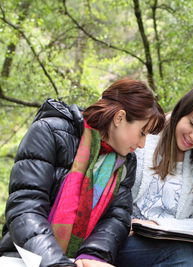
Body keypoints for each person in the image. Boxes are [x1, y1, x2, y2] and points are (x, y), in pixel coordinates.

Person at [0, 78, 165, 267]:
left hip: (80, 260)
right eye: (142, 133)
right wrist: (56, 262)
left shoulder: (126, 162)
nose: (142, 144)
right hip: (26, 256)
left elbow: (117, 217)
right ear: (119, 118)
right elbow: (25, 207)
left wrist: (93, 255)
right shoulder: (49, 132)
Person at [116, 83, 193, 267]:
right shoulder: (144, 137)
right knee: (184, 256)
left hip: (169, 241)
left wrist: (158, 225)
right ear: (181, 111)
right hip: (124, 237)